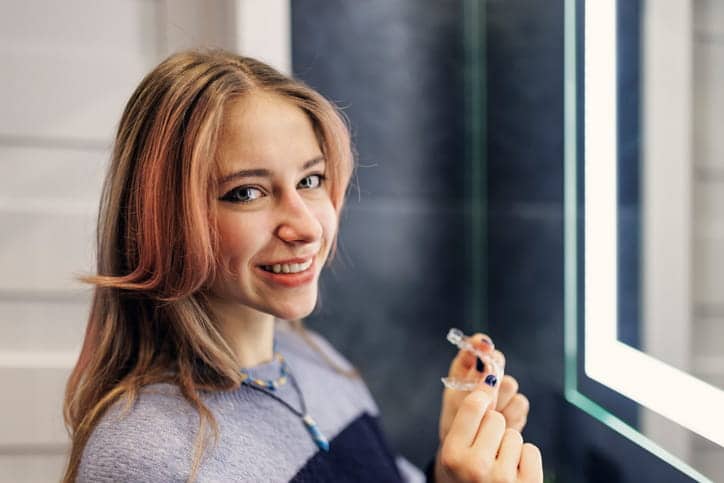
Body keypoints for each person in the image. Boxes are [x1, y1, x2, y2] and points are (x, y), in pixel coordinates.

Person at [62, 49, 542, 483]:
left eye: (311, 180)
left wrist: (451, 474)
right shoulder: (146, 458)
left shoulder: (315, 359)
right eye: (247, 192)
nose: (306, 226)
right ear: (162, 219)